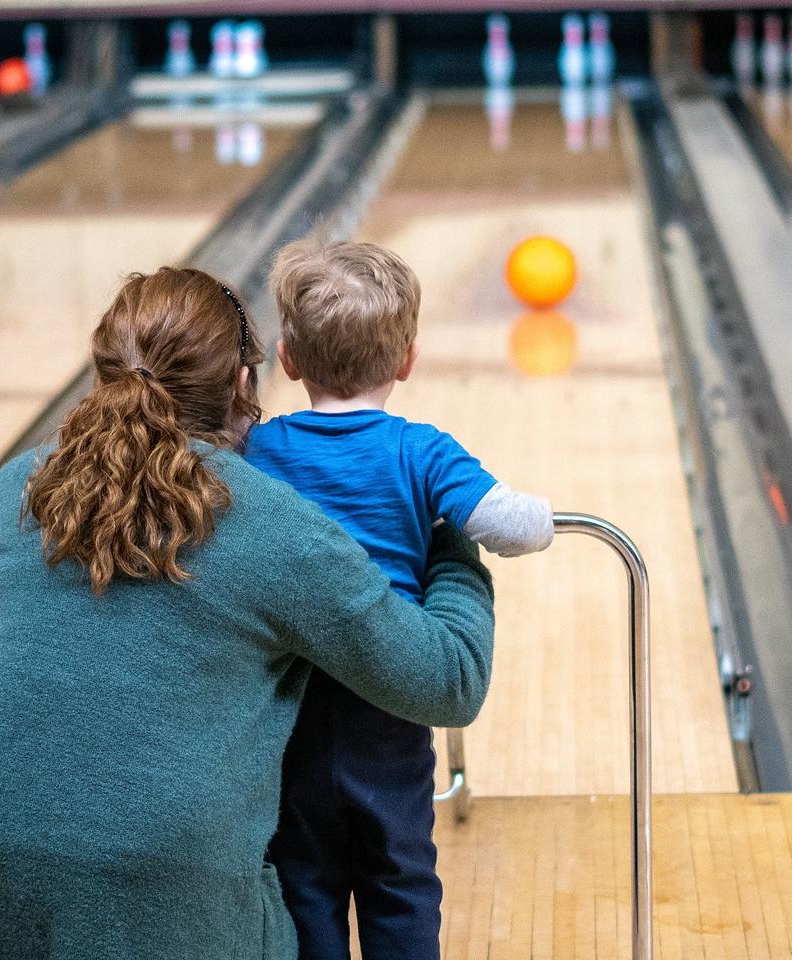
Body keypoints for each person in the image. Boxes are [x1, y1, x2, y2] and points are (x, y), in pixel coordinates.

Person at [0, 266, 498, 960]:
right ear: (242, 385)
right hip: (154, 878)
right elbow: (449, 679)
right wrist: (448, 539)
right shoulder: (272, 524)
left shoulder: (16, 490)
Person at [245, 240, 555, 960]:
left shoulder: (261, 450)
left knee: (303, 881)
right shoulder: (421, 451)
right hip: (388, 706)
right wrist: (535, 515)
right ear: (406, 358)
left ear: (287, 359)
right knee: (399, 878)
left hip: (289, 711)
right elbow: (515, 528)